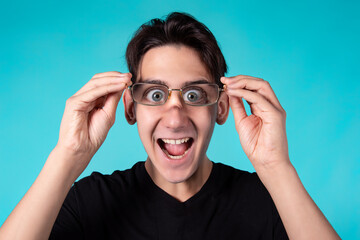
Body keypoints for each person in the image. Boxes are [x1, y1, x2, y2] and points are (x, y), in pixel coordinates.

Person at [0, 12, 340, 240]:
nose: (175, 117)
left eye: (194, 94)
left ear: (220, 107)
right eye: (155, 94)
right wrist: (67, 156)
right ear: (131, 109)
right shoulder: (90, 202)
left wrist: (276, 167)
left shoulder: (269, 202)